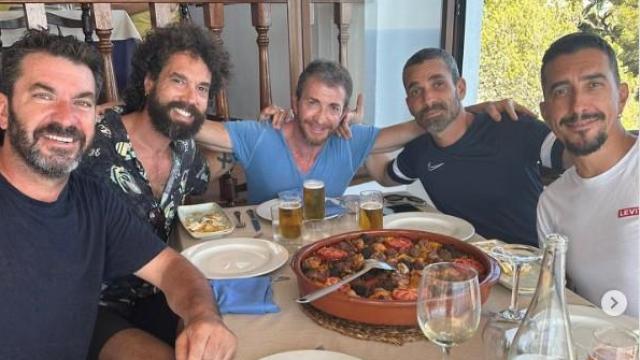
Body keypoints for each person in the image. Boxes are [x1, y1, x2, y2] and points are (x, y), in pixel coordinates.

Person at [0, 30, 236, 360]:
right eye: (44, 96)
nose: (67, 118)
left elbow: (171, 267)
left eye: (81, 102)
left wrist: (202, 316)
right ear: (149, 82)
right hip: (99, 310)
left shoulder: (97, 196)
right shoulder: (95, 153)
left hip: (147, 295)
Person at [77, 23, 232, 359]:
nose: (191, 99)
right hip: (94, 307)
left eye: (202, 88)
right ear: (149, 82)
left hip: (160, 293)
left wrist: (271, 131)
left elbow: (216, 167)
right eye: (179, 81)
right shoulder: (94, 146)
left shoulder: (185, 150)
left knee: (220, 342)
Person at [195, 59, 519, 204]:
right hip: (266, 254)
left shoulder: (352, 139)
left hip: (325, 256)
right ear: (294, 102)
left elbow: (422, 122)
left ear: (343, 111)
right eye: (312, 103)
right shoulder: (262, 133)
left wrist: (468, 108)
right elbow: (198, 128)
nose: (321, 118)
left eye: (333, 108)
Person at [369, 48, 568, 246]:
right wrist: (353, 129)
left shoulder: (511, 125)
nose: (428, 99)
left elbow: (576, 156)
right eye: (416, 91)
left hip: (530, 263)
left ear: (460, 88)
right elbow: (384, 176)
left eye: (438, 84)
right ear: (409, 104)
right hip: (468, 262)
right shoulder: (420, 149)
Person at [536, 32, 639, 316]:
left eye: (593, 84)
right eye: (561, 91)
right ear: (546, 112)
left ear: (621, 96)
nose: (578, 106)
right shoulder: (551, 203)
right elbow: (556, 304)